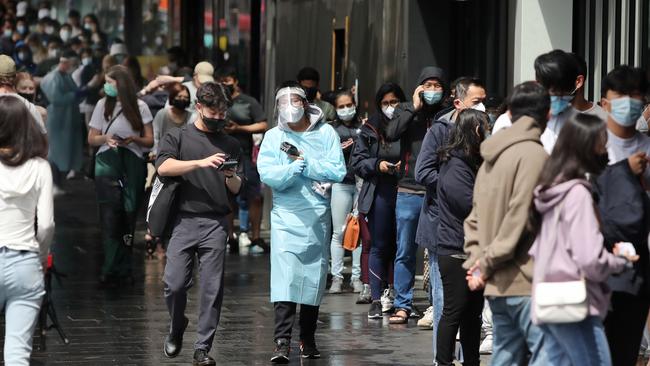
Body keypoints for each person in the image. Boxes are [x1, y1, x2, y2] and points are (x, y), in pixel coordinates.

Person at [528, 113, 638, 366]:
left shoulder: (551, 191)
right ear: (586, 147)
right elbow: (589, 259)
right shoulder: (577, 193)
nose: (606, 149)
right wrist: (620, 261)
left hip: (550, 298)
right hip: (577, 304)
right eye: (601, 142)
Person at [257, 83, 346, 363]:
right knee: (284, 278)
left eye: (295, 101)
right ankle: (281, 341)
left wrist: (307, 165)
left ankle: (307, 337)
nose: (290, 108)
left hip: (316, 215)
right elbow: (267, 173)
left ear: (306, 104)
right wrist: (290, 170)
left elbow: (338, 170)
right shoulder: (273, 137)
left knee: (312, 277)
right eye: (283, 104)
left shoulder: (326, 133)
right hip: (286, 216)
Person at [463, 81, 550, 365]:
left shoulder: (491, 155)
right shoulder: (534, 155)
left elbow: (474, 217)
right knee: (549, 356)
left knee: (507, 356)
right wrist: (484, 264)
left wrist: (477, 262)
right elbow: (520, 218)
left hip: (496, 282)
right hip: (525, 279)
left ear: (509, 114)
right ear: (547, 115)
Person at [156, 82, 241, 366]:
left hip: (216, 221)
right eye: (213, 113)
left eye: (222, 114)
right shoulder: (178, 135)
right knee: (174, 284)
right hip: (183, 219)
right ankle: (177, 324)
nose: (218, 119)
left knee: (211, 287)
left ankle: (202, 348)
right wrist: (200, 162)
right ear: (200, 107)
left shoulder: (230, 143)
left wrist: (231, 176)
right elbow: (163, 166)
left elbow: (237, 188)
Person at [415, 77, 487, 336]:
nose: (482, 109)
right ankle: (442, 359)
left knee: (470, 309)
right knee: (446, 304)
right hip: (442, 226)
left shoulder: (482, 131)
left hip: (473, 232)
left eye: (484, 103)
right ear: (459, 103)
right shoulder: (440, 130)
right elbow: (422, 171)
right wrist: (452, 185)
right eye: (476, 103)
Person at [386, 66, 448, 324]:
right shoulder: (405, 110)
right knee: (405, 249)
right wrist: (413, 107)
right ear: (419, 87)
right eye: (427, 85)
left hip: (437, 188)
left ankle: (436, 304)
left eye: (437, 85)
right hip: (409, 188)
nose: (432, 90)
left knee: (437, 250)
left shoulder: (447, 113)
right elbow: (391, 134)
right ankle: (403, 304)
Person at [597, 65, 650, 366]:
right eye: (621, 96)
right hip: (596, 257)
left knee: (625, 347)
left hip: (636, 263)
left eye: (636, 95)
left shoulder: (647, 146)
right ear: (605, 102)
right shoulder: (590, 142)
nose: (629, 102)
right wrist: (623, 172)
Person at [87, 65, 153, 285]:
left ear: (121, 84)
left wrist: (133, 140)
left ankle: (125, 266)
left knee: (128, 214)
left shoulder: (140, 106)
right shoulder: (101, 105)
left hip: (132, 161)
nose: (106, 86)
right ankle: (110, 266)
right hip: (108, 160)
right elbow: (91, 138)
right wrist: (106, 138)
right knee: (109, 214)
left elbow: (149, 140)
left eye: (110, 82)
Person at [0, 95, 54, 366]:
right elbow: (46, 225)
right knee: (18, 354)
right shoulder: (40, 167)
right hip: (25, 262)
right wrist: (41, 257)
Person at [434, 109, 489, 366]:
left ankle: (472, 362)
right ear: (473, 131)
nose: (487, 134)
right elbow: (469, 204)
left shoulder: (470, 163)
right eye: (484, 128)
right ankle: (444, 362)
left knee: (472, 315)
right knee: (454, 312)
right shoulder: (456, 166)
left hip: (470, 250)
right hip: (456, 250)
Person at [351, 82, 405, 315]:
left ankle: (397, 295)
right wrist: (377, 164)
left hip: (405, 189)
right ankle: (375, 297)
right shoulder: (370, 128)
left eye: (394, 102)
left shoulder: (409, 125)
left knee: (401, 246)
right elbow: (357, 162)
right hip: (379, 190)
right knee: (379, 244)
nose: (390, 107)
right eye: (385, 103)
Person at [218, 67, 269, 253]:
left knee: (255, 195)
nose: (226, 84)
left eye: (228, 80)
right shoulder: (219, 101)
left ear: (235, 81)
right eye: (222, 81)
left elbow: (263, 124)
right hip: (224, 154)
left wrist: (240, 128)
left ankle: (255, 237)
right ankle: (229, 236)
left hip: (246, 155)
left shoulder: (248, 102)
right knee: (227, 197)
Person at [328, 90, 363, 294]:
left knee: (357, 231)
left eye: (348, 105)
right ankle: (337, 277)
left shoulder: (364, 126)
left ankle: (357, 277)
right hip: (340, 183)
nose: (346, 109)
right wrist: (341, 148)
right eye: (341, 106)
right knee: (339, 232)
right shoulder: (331, 129)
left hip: (361, 183)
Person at [40, 49, 84, 180]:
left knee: (66, 151)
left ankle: (60, 180)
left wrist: (80, 94)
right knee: (56, 152)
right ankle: (54, 182)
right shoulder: (53, 77)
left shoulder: (65, 76)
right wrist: (74, 95)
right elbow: (56, 98)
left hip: (68, 119)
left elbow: (75, 93)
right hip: (57, 119)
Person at [0, 55, 45, 132]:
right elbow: (42, 140)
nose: (28, 92)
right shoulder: (30, 108)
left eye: (31, 88)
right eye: (24, 88)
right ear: (14, 77)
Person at [152, 82, 192, 156]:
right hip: (163, 154)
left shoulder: (192, 116)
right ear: (172, 97)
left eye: (186, 97)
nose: (182, 99)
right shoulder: (162, 114)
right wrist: (155, 153)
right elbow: (155, 135)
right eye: (179, 96)